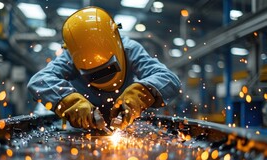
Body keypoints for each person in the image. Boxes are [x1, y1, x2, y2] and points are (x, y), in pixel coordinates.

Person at [27, 6, 181, 130]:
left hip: (125, 125)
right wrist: (73, 104)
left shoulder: (129, 50)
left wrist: (139, 95)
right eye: (93, 74)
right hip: (82, 129)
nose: (102, 77)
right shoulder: (70, 56)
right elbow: (39, 81)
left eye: (108, 68)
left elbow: (169, 79)